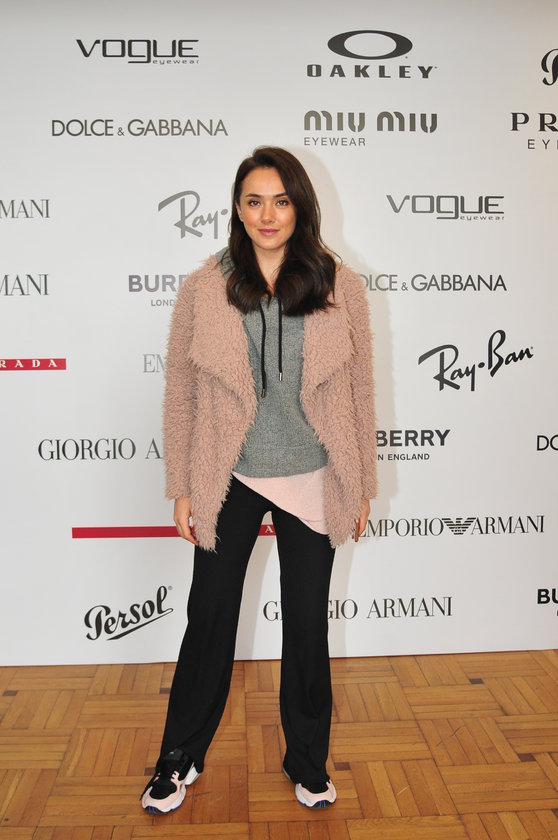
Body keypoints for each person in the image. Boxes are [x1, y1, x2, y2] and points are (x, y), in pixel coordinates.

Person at [140, 146, 377, 814]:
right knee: (209, 618)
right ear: (237, 210)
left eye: (280, 200)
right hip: (230, 473)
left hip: (315, 473)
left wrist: (361, 482)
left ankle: (307, 762)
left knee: (306, 625)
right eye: (254, 201)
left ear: (300, 207)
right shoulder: (203, 287)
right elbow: (182, 391)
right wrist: (183, 486)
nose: (267, 215)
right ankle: (177, 759)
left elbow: (360, 389)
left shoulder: (340, 285)